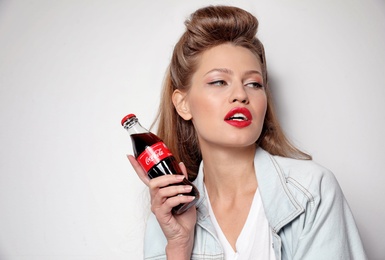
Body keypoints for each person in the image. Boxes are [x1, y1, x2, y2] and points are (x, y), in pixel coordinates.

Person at [127, 5, 367, 260]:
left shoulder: (312, 192)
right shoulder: (167, 211)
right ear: (183, 104)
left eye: (254, 83)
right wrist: (178, 245)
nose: (241, 95)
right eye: (219, 81)